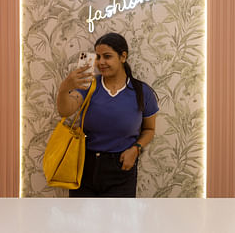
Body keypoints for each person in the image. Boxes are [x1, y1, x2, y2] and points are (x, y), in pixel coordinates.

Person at [56, 32, 159, 197]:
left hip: (121, 166)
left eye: (107, 56)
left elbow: (149, 130)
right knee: (83, 221)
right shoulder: (89, 85)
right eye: (98, 56)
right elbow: (65, 111)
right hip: (84, 164)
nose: (101, 62)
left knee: (118, 221)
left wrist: (136, 149)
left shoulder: (142, 91)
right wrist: (64, 88)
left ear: (123, 57)